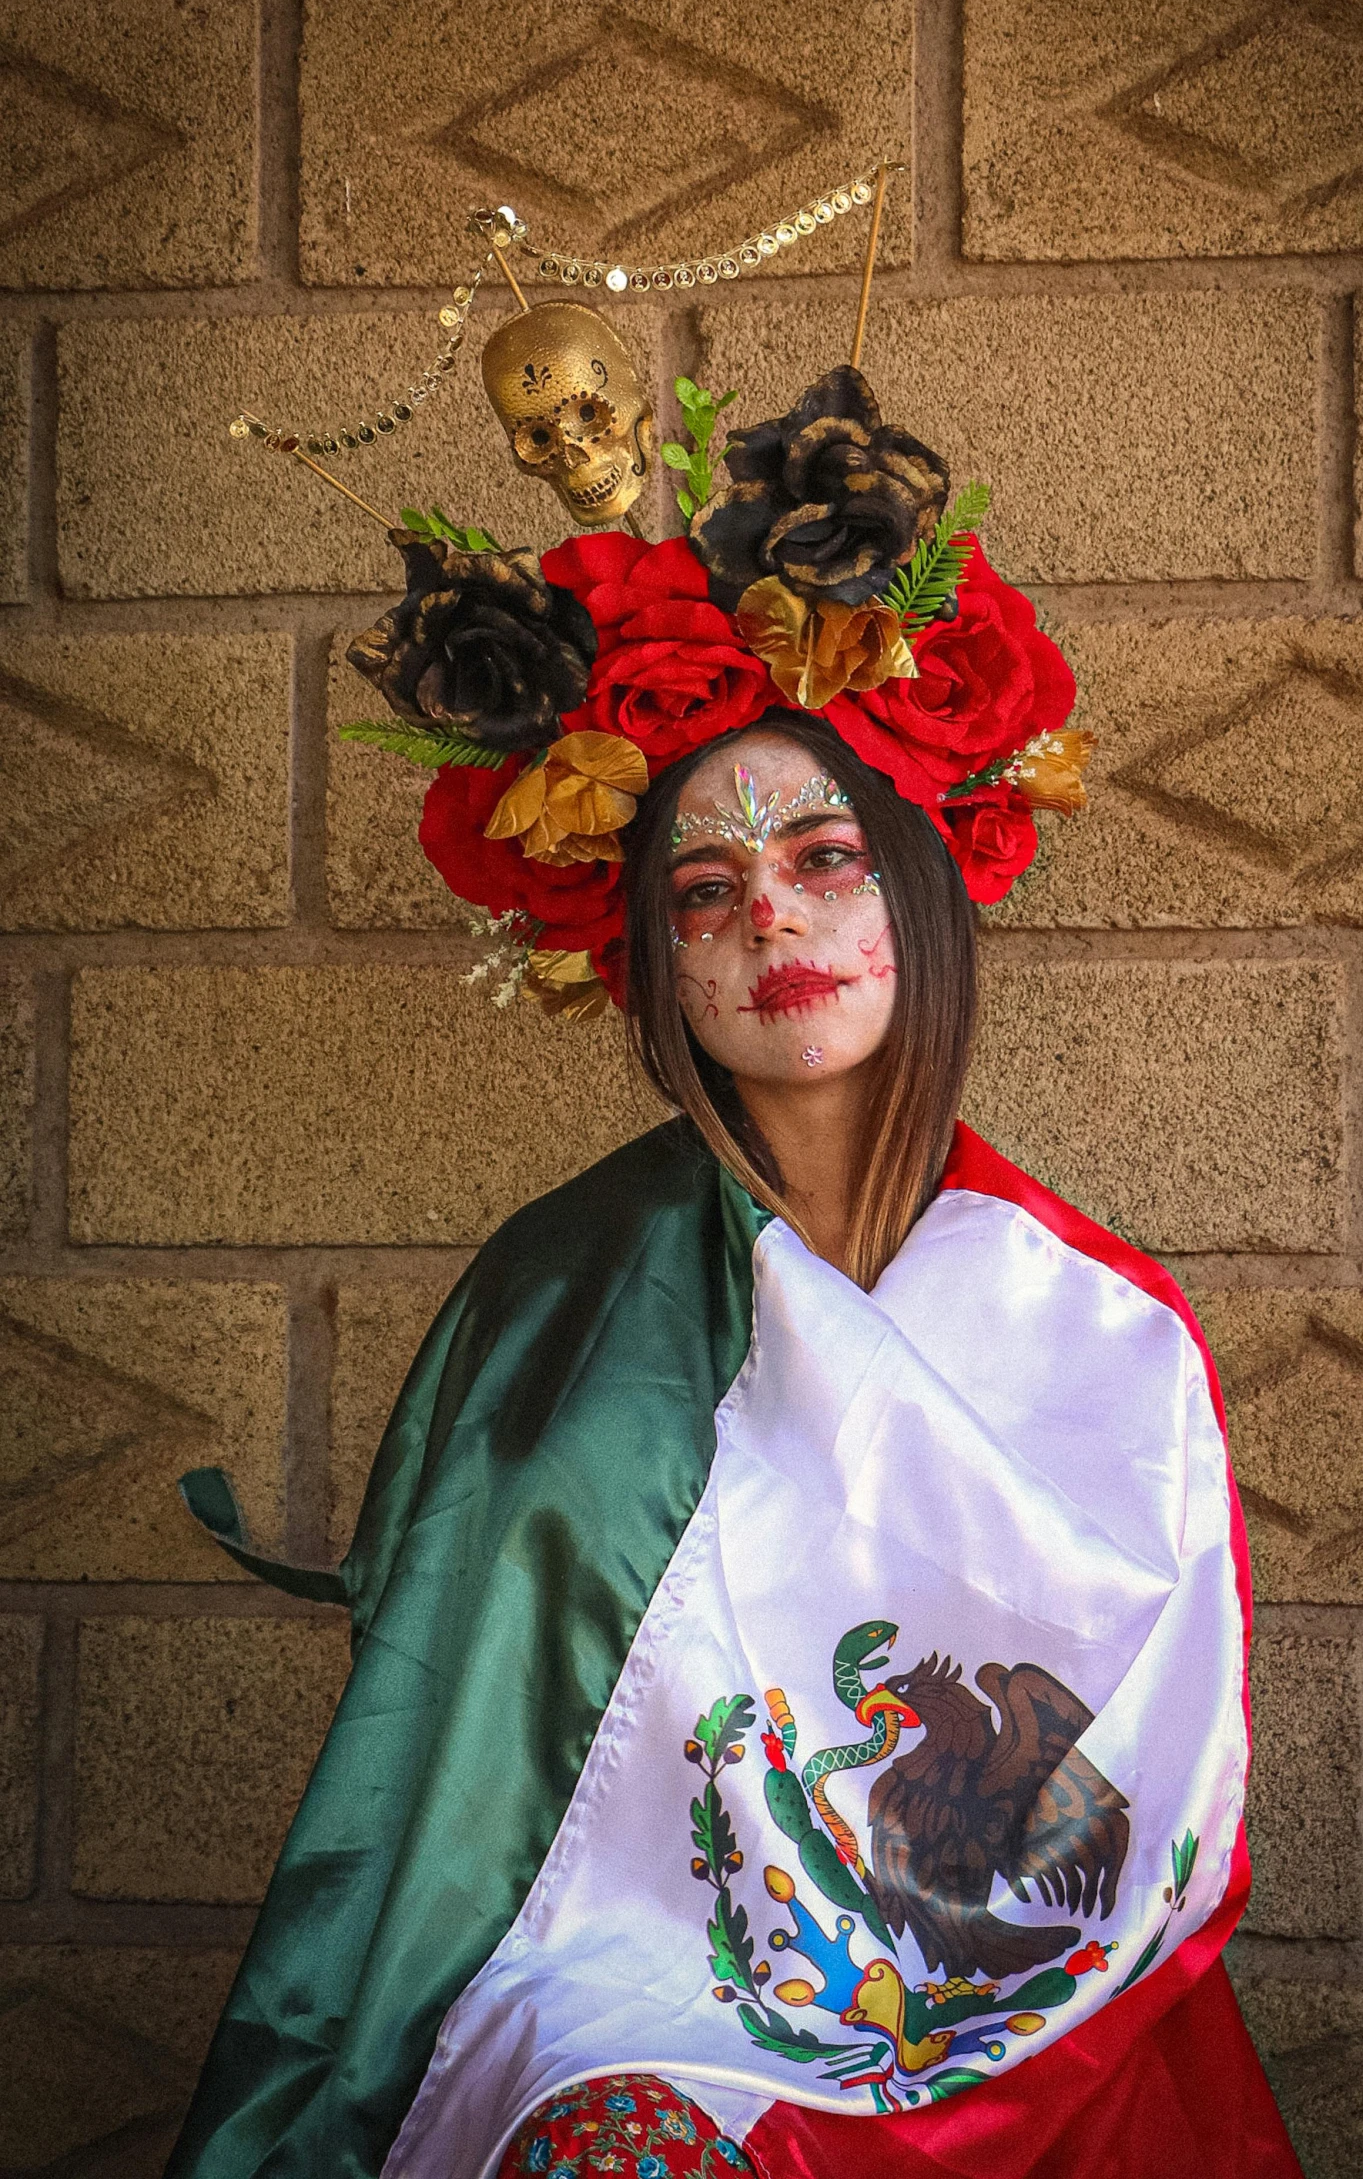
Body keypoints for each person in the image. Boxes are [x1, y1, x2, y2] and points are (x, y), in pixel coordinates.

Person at [168, 366, 1302, 2179]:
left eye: (823, 857)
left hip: (1004, 2002)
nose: (765, 912)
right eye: (698, 891)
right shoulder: (553, 1286)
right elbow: (454, 1750)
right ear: (649, 967)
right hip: (604, 1975)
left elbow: (1121, 1819)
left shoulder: (1102, 1325)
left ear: (922, 887)